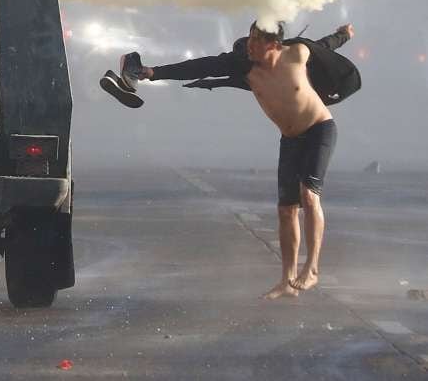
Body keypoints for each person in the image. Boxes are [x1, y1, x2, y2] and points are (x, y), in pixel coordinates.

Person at [102, 22, 359, 299]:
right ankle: (287, 281)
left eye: (257, 40)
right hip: (290, 139)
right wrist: (152, 72)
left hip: (319, 129)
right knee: (286, 210)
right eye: (250, 38)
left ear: (275, 44)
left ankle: (311, 270)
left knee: (308, 195)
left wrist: (343, 35)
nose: (250, 45)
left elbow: (324, 45)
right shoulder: (246, 68)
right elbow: (203, 66)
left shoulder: (297, 53)